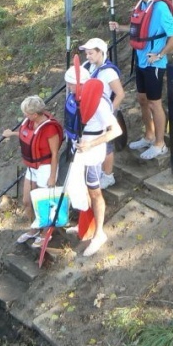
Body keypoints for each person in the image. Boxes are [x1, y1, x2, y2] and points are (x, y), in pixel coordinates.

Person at [108, 0, 173, 160]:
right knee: (142, 99)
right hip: (140, 60)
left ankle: (160, 143)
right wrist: (120, 27)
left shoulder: (160, 7)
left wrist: (160, 54)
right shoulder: (142, 5)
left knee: (155, 103)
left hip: (154, 63)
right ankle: (149, 135)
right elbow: (138, 28)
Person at [63, 66, 122, 257]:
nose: (69, 87)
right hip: (77, 150)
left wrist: (91, 144)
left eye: (71, 84)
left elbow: (115, 131)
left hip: (92, 153)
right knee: (80, 189)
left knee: (95, 192)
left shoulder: (99, 103)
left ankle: (99, 234)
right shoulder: (73, 97)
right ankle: (86, 225)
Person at [2, 96, 63, 246]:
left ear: (35, 114)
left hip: (45, 168)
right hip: (32, 167)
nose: (25, 116)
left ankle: (46, 232)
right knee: (27, 201)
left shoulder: (49, 128)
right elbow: (28, 136)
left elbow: (55, 154)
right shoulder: (30, 122)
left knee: (43, 203)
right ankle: (34, 228)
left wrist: (52, 176)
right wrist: (12, 133)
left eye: (27, 113)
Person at [79, 37, 125, 189]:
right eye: (86, 54)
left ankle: (108, 174)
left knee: (107, 145)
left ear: (101, 52)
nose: (88, 56)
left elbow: (120, 94)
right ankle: (98, 171)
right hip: (91, 114)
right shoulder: (88, 66)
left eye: (91, 53)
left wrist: (110, 112)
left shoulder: (109, 72)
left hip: (103, 113)